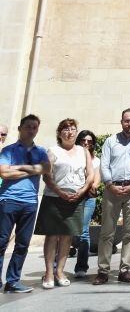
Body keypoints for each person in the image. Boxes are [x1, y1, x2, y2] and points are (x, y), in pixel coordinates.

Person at [94, 108, 130, 285]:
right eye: (126, 121)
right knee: (106, 232)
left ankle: (124, 270)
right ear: (121, 122)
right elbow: (104, 165)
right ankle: (103, 271)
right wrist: (110, 185)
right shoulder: (111, 141)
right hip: (112, 189)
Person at [36, 118, 94, 288]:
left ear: (77, 132)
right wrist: (60, 192)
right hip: (54, 197)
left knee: (67, 236)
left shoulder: (83, 151)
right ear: (59, 133)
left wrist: (82, 191)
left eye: (73, 129)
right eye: (66, 129)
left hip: (76, 197)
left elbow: (90, 174)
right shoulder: (53, 151)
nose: (70, 132)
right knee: (52, 236)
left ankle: (60, 272)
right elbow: (46, 175)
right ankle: (48, 273)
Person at [0, 114, 50, 293]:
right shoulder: (9, 151)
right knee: (1, 242)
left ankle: (13, 281)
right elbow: (4, 174)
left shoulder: (41, 151)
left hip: (30, 202)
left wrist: (19, 168)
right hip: (8, 200)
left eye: (34, 127)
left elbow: (46, 169)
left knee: (22, 244)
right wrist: (32, 170)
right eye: (28, 126)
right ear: (20, 129)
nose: (31, 130)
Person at [74, 130, 100, 278]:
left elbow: (97, 179)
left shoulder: (96, 160)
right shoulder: (73, 156)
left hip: (88, 197)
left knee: (83, 231)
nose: (86, 143)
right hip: (72, 196)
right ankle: (55, 266)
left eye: (89, 141)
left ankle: (81, 267)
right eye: (83, 140)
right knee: (64, 231)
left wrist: (93, 186)